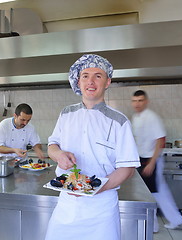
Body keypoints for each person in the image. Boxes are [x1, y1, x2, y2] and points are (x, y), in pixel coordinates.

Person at [45, 54, 140, 240]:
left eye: (98, 76)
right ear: (78, 82)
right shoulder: (66, 114)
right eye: (85, 75)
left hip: (101, 210)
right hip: (66, 205)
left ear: (107, 82)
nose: (91, 81)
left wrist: (92, 188)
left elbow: (127, 169)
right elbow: (52, 145)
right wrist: (59, 154)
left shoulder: (119, 121)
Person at [131, 90, 182, 232]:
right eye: (135, 101)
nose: (137, 104)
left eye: (140, 100)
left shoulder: (151, 117)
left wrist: (151, 163)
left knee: (151, 194)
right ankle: (175, 220)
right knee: (158, 192)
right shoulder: (136, 117)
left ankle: (154, 225)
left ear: (146, 101)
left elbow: (161, 140)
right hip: (142, 159)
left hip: (151, 160)